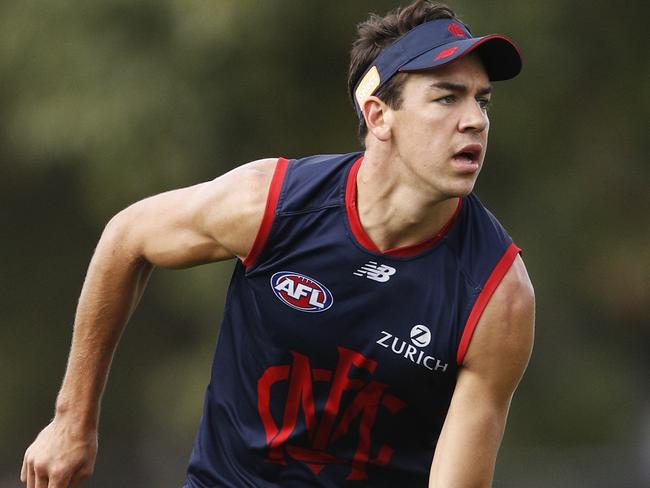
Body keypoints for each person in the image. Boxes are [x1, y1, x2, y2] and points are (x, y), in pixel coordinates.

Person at [21, 1, 535, 487]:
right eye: (447, 97)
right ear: (379, 116)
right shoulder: (272, 205)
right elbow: (126, 238)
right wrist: (72, 420)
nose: (475, 120)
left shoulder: (496, 295)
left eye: (481, 100)